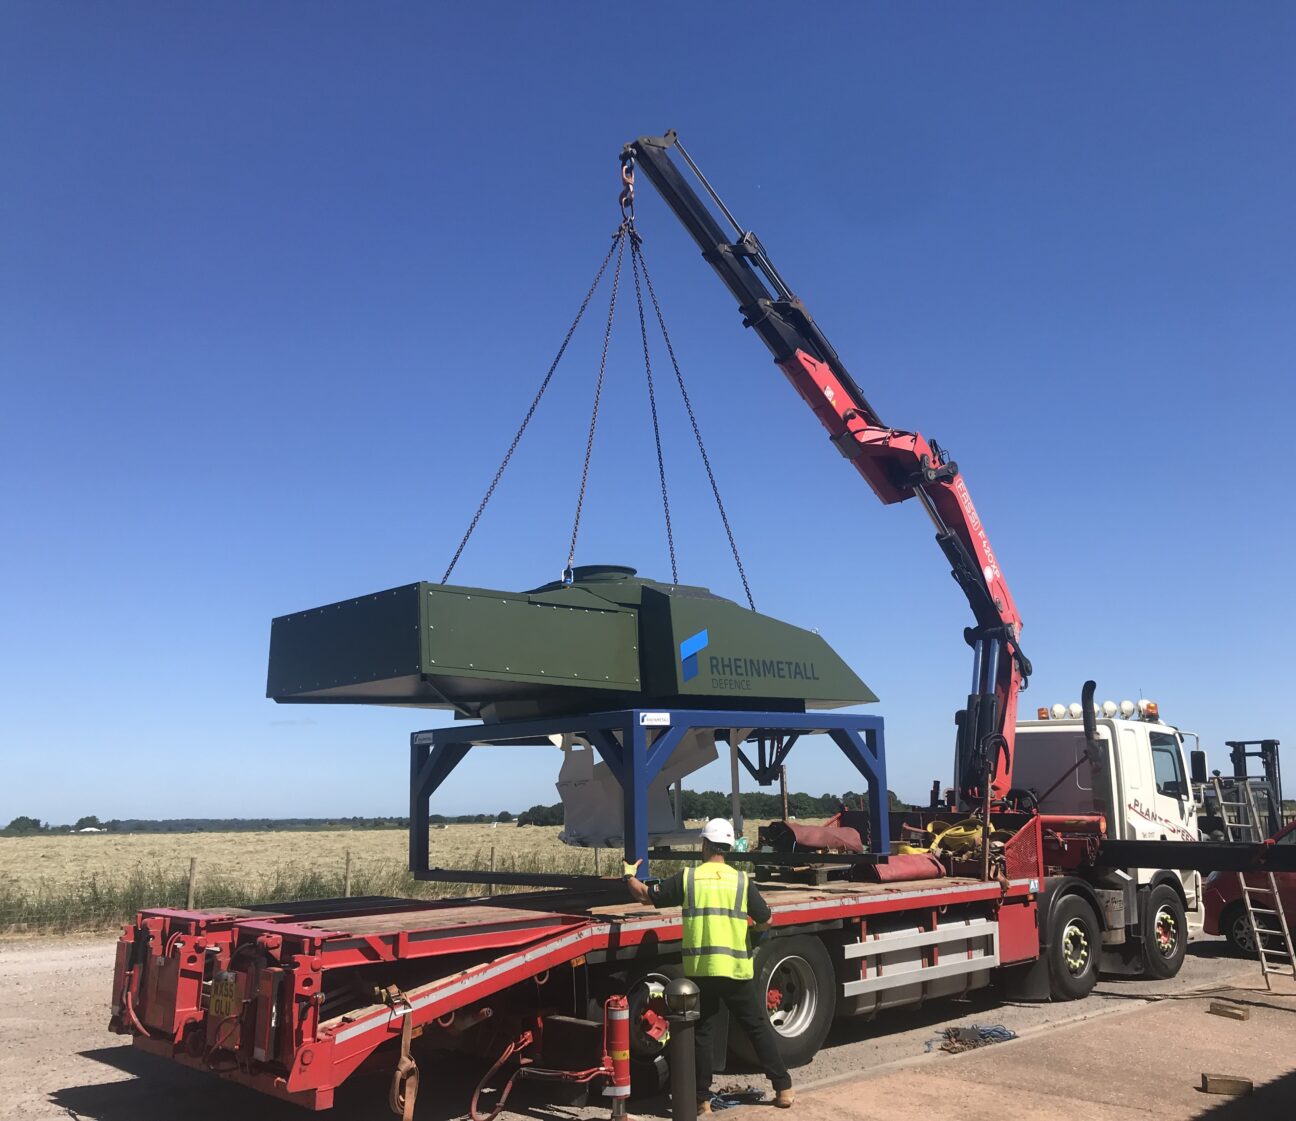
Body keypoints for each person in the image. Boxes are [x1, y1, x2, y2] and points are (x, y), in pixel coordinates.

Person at [625, 819, 794, 1111]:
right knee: (756, 1027)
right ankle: (783, 1088)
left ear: (704, 845)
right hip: (736, 970)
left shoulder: (689, 878)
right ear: (727, 847)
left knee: (703, 1032)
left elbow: (644, 895)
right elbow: (766, 918)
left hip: (701, 971)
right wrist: (753, 937)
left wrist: (629, 875)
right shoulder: (741, 881)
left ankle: (701, 1098)